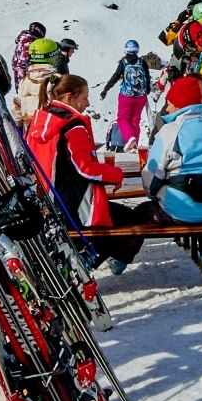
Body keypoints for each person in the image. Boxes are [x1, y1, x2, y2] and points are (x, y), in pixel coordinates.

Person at [26, 75, 145, 275]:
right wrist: (116, 175)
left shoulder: (41, 120)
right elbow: (85, 168)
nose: (87, 103)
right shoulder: (73, 125)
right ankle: (80, 269)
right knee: (130, 222)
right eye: (84, 98)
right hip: (75, 204)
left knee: (117, 221)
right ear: (70, 98)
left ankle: (76, 267)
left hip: (48, 201)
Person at [143, 76, 202, 282]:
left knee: (142, 213)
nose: (166, 108)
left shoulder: (169, 132)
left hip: (179, 211)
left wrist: (154, 194)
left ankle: (120, 258)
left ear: (181, 104)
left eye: (170, 103)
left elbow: (151, 176)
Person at [101, 40, 151, 149]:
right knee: (135, 120)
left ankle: (130, 138)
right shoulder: (142, 62)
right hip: (140, 97)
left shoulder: (123, 63)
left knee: (122, 119)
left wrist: (106, 89)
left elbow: (115, 77)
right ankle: (134, 146)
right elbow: (147, 78)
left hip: (126, 96)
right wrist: (147, 90)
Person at [12, 38, 60, 125]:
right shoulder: (57, 80)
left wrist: (18, 128)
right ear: (53, 56)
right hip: (51, 130)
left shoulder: (24, 81)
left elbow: (17, 108)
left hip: (30, 132)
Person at [11, 21, 46, 86]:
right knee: (23, 90)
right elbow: (23, 59)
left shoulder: (23, 37)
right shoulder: (28, 40)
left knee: (20, 89)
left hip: (18, 68)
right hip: (22, 71)